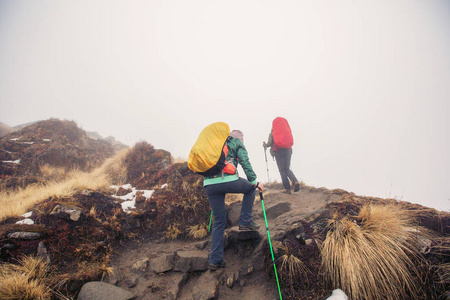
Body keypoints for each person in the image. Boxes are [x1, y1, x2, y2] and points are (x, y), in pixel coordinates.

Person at [204, 129, 263, 271]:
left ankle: (215, 261)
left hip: (209, 185)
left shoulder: (217, 144)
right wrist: (254, 181)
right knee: (250, 189)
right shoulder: (237, 143)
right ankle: (245, 222)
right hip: (227, 179)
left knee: (219, 221)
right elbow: (244, 162)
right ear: (240, 139)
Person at [263, 120, 300, 194]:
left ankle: (287, 188)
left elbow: (270, 143)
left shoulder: (273, 133)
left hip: (278, 152)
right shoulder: (287, 132)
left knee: (282, 170)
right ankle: (295, 181)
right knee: (287, 168)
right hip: (288, 151)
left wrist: (265, 145)